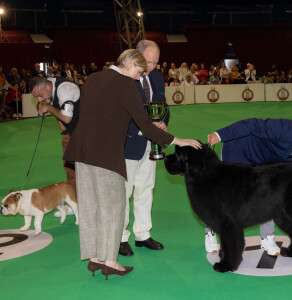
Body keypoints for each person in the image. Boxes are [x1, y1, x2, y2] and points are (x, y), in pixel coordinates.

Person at [62, 49, 201, 279]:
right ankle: (110, 261)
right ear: (127, 63)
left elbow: (84, 114)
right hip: (106, 155)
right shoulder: (125, 84)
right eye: (138, 71)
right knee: (113, 207)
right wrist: (179, 140)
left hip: (83, 152)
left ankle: (94, 258)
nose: (138, 77)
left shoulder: (93, 78)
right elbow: (145, 125)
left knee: (91, 206)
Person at [205, 118, 292, 255]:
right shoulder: (289, 129)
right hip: (240, 150)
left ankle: (267, 237)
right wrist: (220, 135)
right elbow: (252, 124)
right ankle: (211, 230)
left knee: (270, 195)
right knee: (229, 197)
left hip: (266, 164)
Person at [120, 40, 171, 257]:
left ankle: (142, 234)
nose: (151, 67)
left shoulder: (157, 78)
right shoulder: (124, 79)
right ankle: (120, 237)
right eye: (148, 62)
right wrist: (144, 127)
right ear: (136, 57)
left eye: (155, 63)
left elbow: (164, 106)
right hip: (128, 143)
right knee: (124, 192)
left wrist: (163, 123)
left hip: (151, 144)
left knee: (146, 189)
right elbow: (121, 113)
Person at [29, 76, 80, 213]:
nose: (39, 100)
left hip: (87, 134)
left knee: (85, 172)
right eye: (37, 98)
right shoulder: (51, 90)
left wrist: (48, 108)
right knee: (70, 169)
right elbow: (64, 122)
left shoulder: (65, 88)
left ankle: (87, 205)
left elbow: (67, 118)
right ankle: (74, 203)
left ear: (48, 87)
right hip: (72, 133)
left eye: (40, 95)